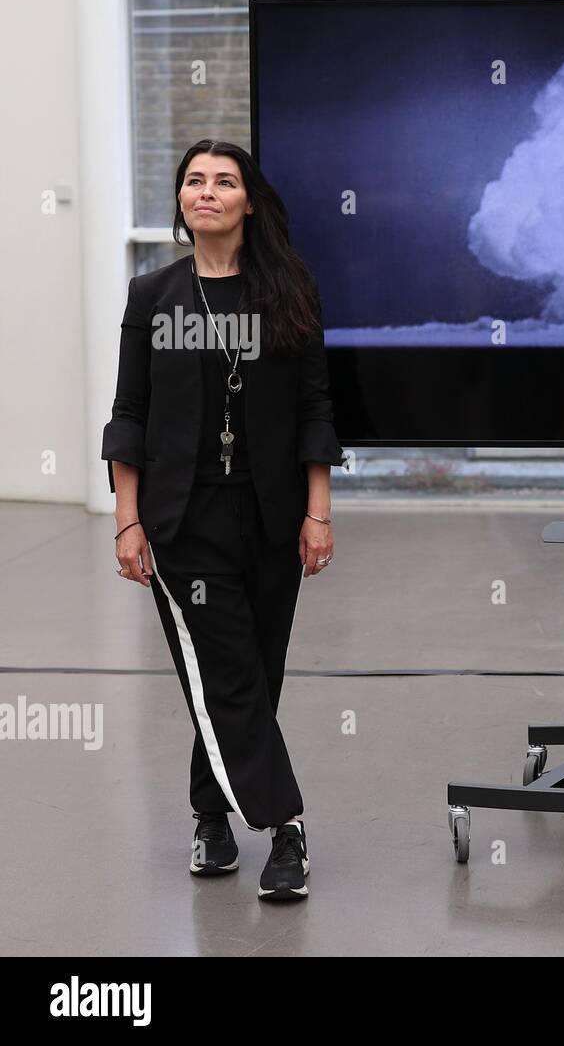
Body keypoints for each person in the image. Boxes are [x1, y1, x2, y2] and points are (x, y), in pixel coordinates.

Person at [102, 138, 346, 901]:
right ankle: (287, 826)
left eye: (224, 181)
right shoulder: (153, 298)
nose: (206, 191)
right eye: (194, 181)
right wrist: (126, 519)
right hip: (184, 522)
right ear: (181, 201)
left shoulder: (287, 291)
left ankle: (210, 816)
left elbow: (314, 407)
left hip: (274, 518)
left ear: (247, 200)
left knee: (251, 674)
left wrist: (318, 512)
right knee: (231, 674)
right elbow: (130, 414)